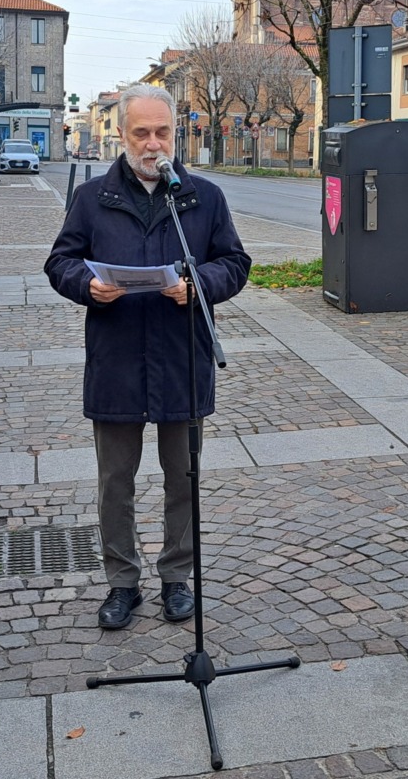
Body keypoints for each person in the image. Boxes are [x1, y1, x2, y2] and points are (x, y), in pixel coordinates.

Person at [44, 83, 251, 631]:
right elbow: (60, 262)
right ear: (122, 134)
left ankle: (177, 577)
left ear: (175, 133)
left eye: (163, 132)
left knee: (183, 476)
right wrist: (88, 285)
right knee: (116, 480)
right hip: (116, 358)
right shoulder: (92, 198)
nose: (153, 144)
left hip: (182, 357)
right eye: (142, 133)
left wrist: (200, 283)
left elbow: (234, 263)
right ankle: (122, 583)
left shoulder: (202, 198)